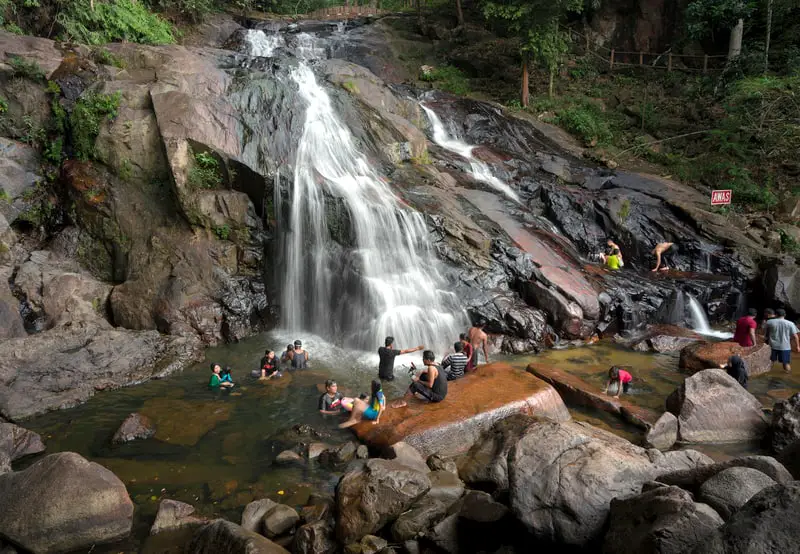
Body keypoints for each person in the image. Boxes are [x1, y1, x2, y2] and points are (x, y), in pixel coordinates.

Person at [764, 308, 800, 373]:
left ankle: (768, 373)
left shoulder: (769, 322)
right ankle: (787, 375)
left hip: (772, 346)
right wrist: (798, 346)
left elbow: (766, 333)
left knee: (771, 361)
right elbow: (795, 336)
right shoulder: (790, 323)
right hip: (785, 347)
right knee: (786, 363)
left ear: (776, 315)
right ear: (785, 315)